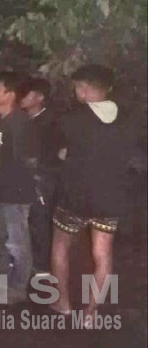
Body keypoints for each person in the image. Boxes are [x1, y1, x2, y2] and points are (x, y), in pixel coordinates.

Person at [50, 65, 140, 325]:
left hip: (75, 197)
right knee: (103, 254)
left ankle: (63, 302)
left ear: (85, 88)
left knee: (61, 246)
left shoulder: (72, 119)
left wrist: (65, 156)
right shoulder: (129, 120)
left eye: (77, 87)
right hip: (110, 198)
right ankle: (91, 313)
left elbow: (61, 151)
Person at [0, 72, 39, 303]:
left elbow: (30, 160)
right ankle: (3, 278)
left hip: (15, 193)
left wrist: (21, 188)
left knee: (17, 243)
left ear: (11, 94)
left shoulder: (20, 123)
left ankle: (18, 288)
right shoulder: (0, 119)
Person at [18, 77, 61, 276]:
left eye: (26, 94)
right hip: (27, 177)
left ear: (40, 97)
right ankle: (32, 260)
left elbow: (53, 154)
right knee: (28, 220)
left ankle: (42, 265)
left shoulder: (50, 122)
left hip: (42, 179)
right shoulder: (25, 119)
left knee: (40, 221)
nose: (21, 97)